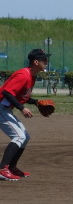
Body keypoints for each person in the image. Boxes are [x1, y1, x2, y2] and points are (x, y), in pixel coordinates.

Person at [0, 48, 52, 181]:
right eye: (44, 59)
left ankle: (11, 167)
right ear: (36, 62)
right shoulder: (23, 75)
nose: (46, 62)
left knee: (25, 137)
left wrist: (35, 102)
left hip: (5, 108)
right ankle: (2, 169)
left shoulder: (32, 76)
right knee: (19, 136)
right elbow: (7, 92)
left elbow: (20, 95)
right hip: (1, 108)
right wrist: (22, 108)